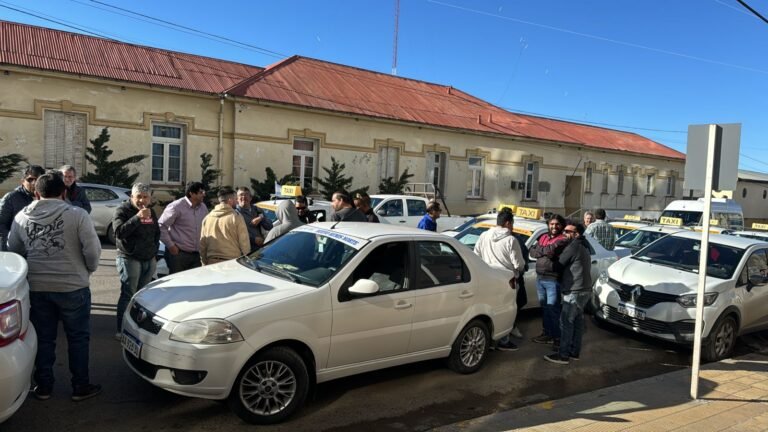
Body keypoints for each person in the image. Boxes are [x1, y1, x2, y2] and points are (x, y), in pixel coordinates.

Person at [7, 172, 102, 401]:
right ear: (64, 192)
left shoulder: (21, 217)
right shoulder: (77, 215)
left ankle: (44, 386)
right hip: (73, 286)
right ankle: (80, 386)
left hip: (38, 287)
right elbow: (93, 251)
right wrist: (87, 270)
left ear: (37, 193)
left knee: (44, 337)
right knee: (78, 338)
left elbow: (13, 250)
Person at [113, 182, 160, 339]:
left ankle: (137, 328)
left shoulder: (151, 211)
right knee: (128, 295)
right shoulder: (123, 210)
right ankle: (121, 329)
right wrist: (137, 218)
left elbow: (156, 233)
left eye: (145, 197)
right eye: (138, 197)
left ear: (150, 198)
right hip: (129, 258)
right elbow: (119, 233)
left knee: (142, 298)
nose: (142, 201)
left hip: (148, 259)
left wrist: (153, 252)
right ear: (132, 196)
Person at [473, 208, 525, 351]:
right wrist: (520, 268)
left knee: (489, 310)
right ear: (508, 223)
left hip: (487, 278)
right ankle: (504, 340)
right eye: (512, 223)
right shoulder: (511, 240)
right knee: (506, 311)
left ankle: (488, 340)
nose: (513, 226)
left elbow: (476, 254)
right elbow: (519, 265)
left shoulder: (484, 235)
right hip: (506, 281)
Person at [544, 222, 592, 365]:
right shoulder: (584, 245)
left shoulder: (573, 246)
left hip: (574, 290)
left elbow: (557, 266)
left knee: (566, 322)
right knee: (577, 322)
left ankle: (563, 355)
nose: (564, 233)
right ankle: (574, 352)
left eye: (567, 231)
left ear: (576, 234)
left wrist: (546, 260)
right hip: (585, 289)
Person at [529, 214, 568, 346]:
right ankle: (547, 334)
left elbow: (552, 252)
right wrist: (544, 250)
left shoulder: (563, 239)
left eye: (557, 224)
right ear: (548, 224)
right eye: (552, 224)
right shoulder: (544, 237)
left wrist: (540, 250)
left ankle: (557, 338)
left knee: (553, 309)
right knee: (545, 308)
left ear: (561, 225)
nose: (554, 226)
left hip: (553, 280)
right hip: (540, 278)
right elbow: (531, 252)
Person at [158, 181, 208, 274]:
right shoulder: (176, 206)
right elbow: (161, 226)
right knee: (177, 285)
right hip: (179, 255)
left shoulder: (203, 207)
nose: (204, 195)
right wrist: (171, 246)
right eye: (201, 192)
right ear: (192, 193)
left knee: (195, 285)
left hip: (197, 255)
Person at [200, 187, 251, 265]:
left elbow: (202, 244)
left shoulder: (207, 218)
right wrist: (247, 261)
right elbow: (244, 243)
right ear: (230, 200)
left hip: (211, 262)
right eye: (235, 199)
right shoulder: (236, 217)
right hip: (231, 263)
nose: (237, 201)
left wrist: (204, 263)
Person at [0, 164, 45, 250]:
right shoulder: (11, 198)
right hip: (16, 248)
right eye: (30, 179)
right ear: (22, 181)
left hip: (39, 249)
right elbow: (1, 224)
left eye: (37, 179)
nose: (34, 183)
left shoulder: (47, 197)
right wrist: (13, 242)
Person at [235, 187, 273, 252]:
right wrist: (253, 239)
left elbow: (269, 227)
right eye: (241, 195)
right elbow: (236, 233)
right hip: (244, 251)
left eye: (246, 194)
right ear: (237, 199)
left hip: (260, 249)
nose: (244, 197)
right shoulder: (235, 213)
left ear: (250, 198)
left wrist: (261, 218)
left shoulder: (258, 210)